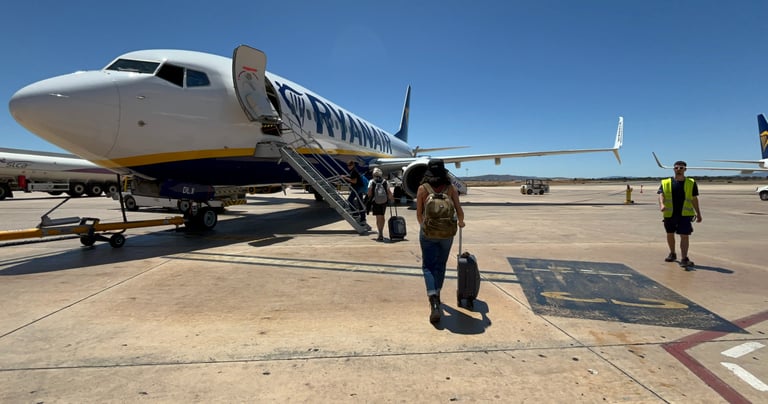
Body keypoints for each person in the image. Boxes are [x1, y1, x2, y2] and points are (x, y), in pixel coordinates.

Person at [416, 159, 465, 324]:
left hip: (428, 233)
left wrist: (425, 227)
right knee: (441, 264)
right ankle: (437, 292)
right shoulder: (450, 188)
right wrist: (461, 222)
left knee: (428, 266)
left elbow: (419, 214)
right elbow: (459, 210)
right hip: (447, 233)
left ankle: (433, 300)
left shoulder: (423, 188)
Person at [657, 160, 702, 268]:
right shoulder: (666, 182)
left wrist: (698, 213)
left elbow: (694, 198)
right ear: (673, 169)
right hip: (670, 213)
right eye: (676, 167)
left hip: (685, 214)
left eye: (681, 168)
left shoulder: (691, 182)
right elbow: (661, 194)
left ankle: (684, 258)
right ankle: (672, 253)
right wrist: (662, 204)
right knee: (670, 234)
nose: (678, 170)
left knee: (684, 235)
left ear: (685, 169)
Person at [366, 167, 394, 241]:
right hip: (384, 201)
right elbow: (389, 193)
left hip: (376, 201)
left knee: (378, 217)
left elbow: (369, 193)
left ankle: (380, 233)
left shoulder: (371, 181)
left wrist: (369, 199)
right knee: (382, 216)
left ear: (373, 175)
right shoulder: (385, 182)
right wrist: (392, 199)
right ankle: (381, 231)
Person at [342, 160, 370, 230]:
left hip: (357, 189)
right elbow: (353, 178)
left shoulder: (354, 171)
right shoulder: (354, 171)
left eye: (349, 165)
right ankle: (363, 218)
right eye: (347, 165)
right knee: (360, 203)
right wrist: (346, 176)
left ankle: (356, 214)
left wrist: (345, 178)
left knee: (350, 200)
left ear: (352, 165)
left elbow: (354, 181)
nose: (348, 167)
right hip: (358, 188)